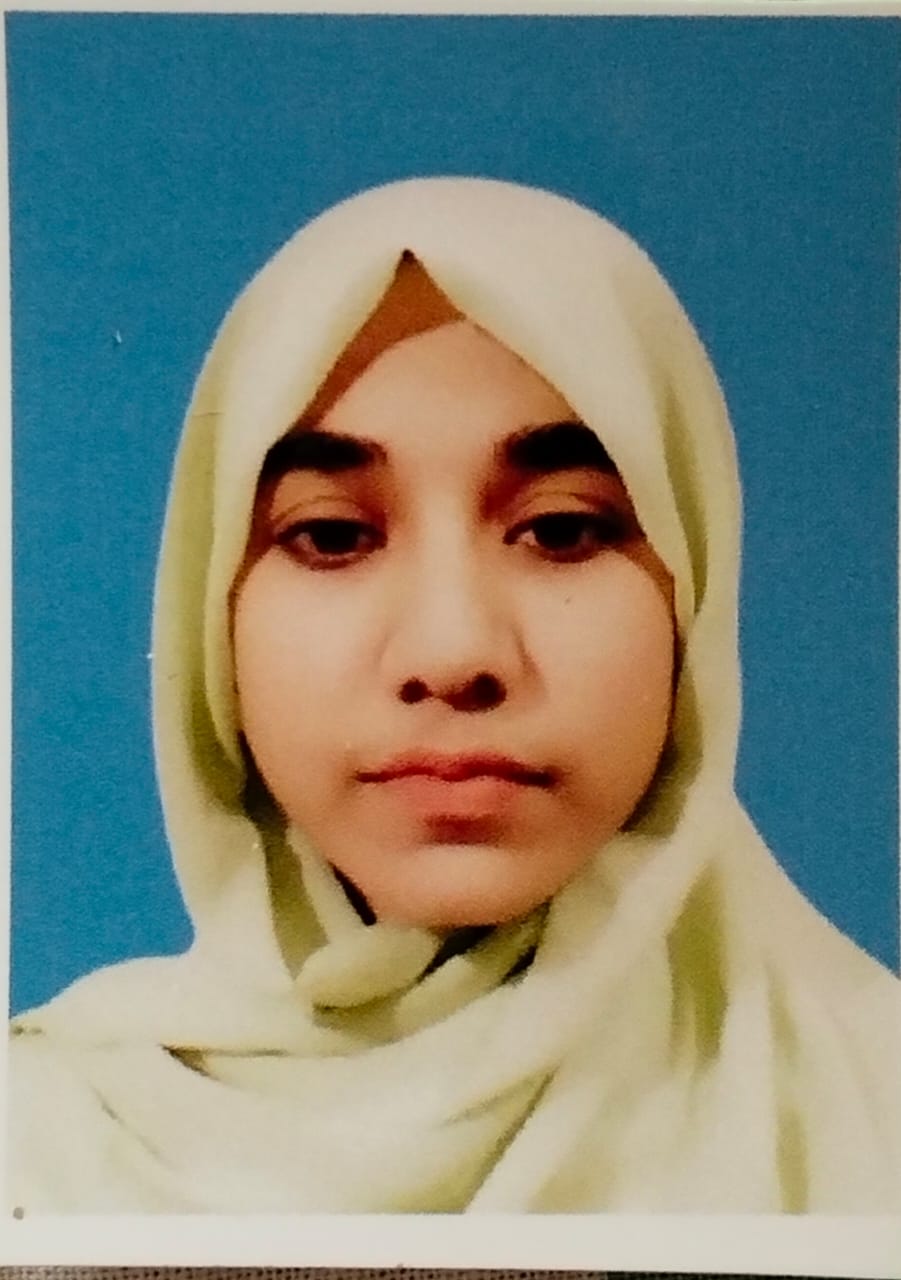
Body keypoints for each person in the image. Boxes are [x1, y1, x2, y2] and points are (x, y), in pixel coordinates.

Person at [9, 177, 899, 1213]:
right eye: (332, 535)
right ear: (210, 612)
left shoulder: (870, 1103)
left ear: (690, 585)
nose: (453, 650)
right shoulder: (47, 1143)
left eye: (561, 530)